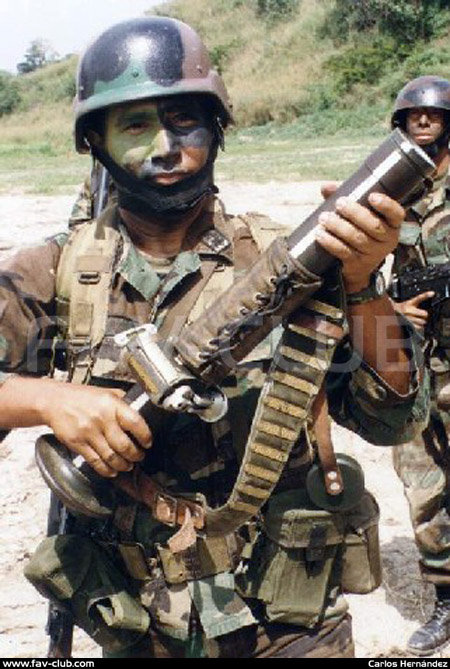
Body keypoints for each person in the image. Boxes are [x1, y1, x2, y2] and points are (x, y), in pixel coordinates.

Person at [0, 17, 427, 659]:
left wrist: (364, 286)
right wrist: (45, 399)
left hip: (290, 623)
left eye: (184, 122)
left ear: (217, 128)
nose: (166, 148)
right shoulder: (54, 269)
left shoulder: (291, 261)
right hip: (137, 625)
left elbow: (394, 419)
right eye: (135, 126)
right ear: (96, 142)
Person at [389, 75, 450, 656]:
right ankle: (446, 596)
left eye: (434, 115)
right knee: (422, 480)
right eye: (414, 115)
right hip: (413, 358)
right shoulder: (391, 185)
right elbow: (354, 269)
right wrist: (391, 309)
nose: (424, 121)